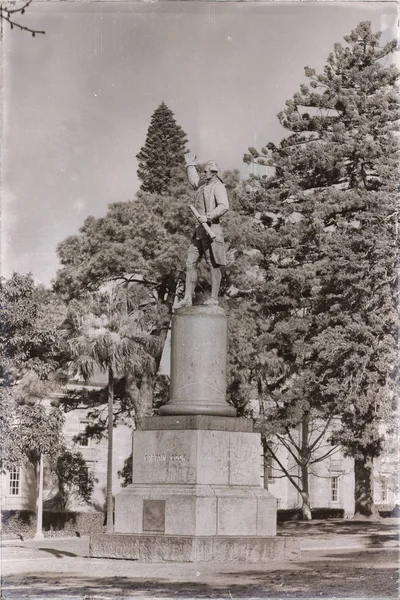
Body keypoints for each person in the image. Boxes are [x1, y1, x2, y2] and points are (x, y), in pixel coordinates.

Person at [175, 152, 229, 308]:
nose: (203, 173)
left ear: (214, 173)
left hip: (211, 230)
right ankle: (187, 297)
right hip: (198, 232)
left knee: (213, 263)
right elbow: (194, 182)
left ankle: (213, 298)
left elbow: (224, 206)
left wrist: (209, 216)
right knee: (190, 263)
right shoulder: (203, 186)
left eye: (205, 171)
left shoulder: (218, 187)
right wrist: (190, 165)